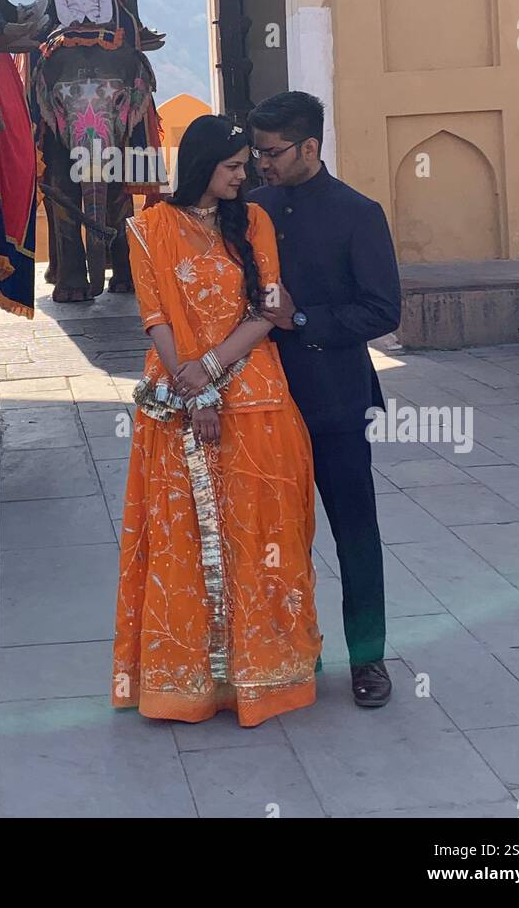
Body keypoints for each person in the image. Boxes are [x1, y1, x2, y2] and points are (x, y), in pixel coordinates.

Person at [112, 114, 321, 726]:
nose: (245, 175)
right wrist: (191, 388)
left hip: (253, 394)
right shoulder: (148, 228)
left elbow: (269, 308)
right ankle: (189, 682)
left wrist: (210, 369)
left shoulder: (252, 221)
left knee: (259, 531)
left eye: (246, 166)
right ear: (203, 167)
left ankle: (264, 673)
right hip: (176, 403)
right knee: (181, 538)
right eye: (232, 167)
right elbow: (156, 318)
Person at [246, 91, 402, 708]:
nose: (263, 164)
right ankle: (293, 654)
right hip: (261, 402)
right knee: (276, 536)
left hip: (336, 402)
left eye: (273, 153)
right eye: (256, 153)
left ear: (311, 146)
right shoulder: (251, 208)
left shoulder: (357, 213)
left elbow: (382, 309)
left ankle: (368, 661)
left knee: (354, 533)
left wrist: (302, 319)